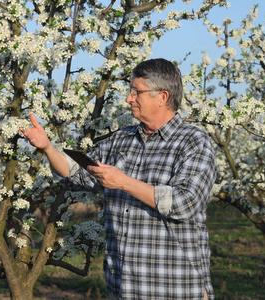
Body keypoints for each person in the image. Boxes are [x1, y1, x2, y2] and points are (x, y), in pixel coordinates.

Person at [20, 58, 216, 300]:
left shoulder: (193, 142)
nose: (129, 98)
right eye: (130, 91)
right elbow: (78, 173)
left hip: (174, 287)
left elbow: (185, 203)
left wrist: (123, 182)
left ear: (163, 97)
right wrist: (48, 147)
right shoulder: (120, 140)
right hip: (124, 287)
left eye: (137, 92)